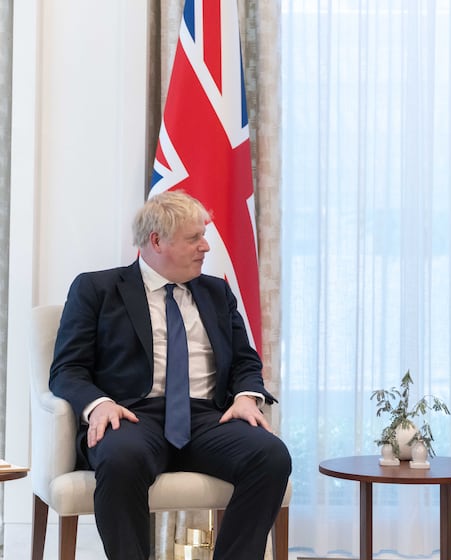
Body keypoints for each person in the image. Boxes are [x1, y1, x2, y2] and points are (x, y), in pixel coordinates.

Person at [50, 190, 291, 560]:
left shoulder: (216, 292)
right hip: (131, 415)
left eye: (203, 235)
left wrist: (246, 396)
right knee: (119, 459)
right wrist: (98, 405)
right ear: (157, 240)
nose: (206, 247)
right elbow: (67, 369)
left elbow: (245, 359)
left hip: (207, 418)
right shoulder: (97, 289)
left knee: (271, 455)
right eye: (194, 238)